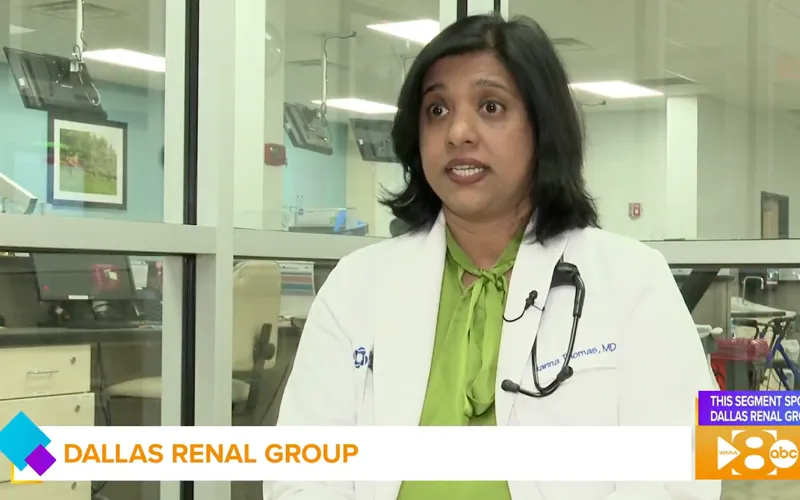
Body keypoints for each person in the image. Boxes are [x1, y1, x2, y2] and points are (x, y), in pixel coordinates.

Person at [268, 13, 720, 500]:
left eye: (490, 106)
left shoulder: (632, 281)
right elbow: (302, 470)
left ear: (542, 127)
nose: (458, 131)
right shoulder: (357, 286)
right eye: (436, 110)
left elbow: (686, 466)